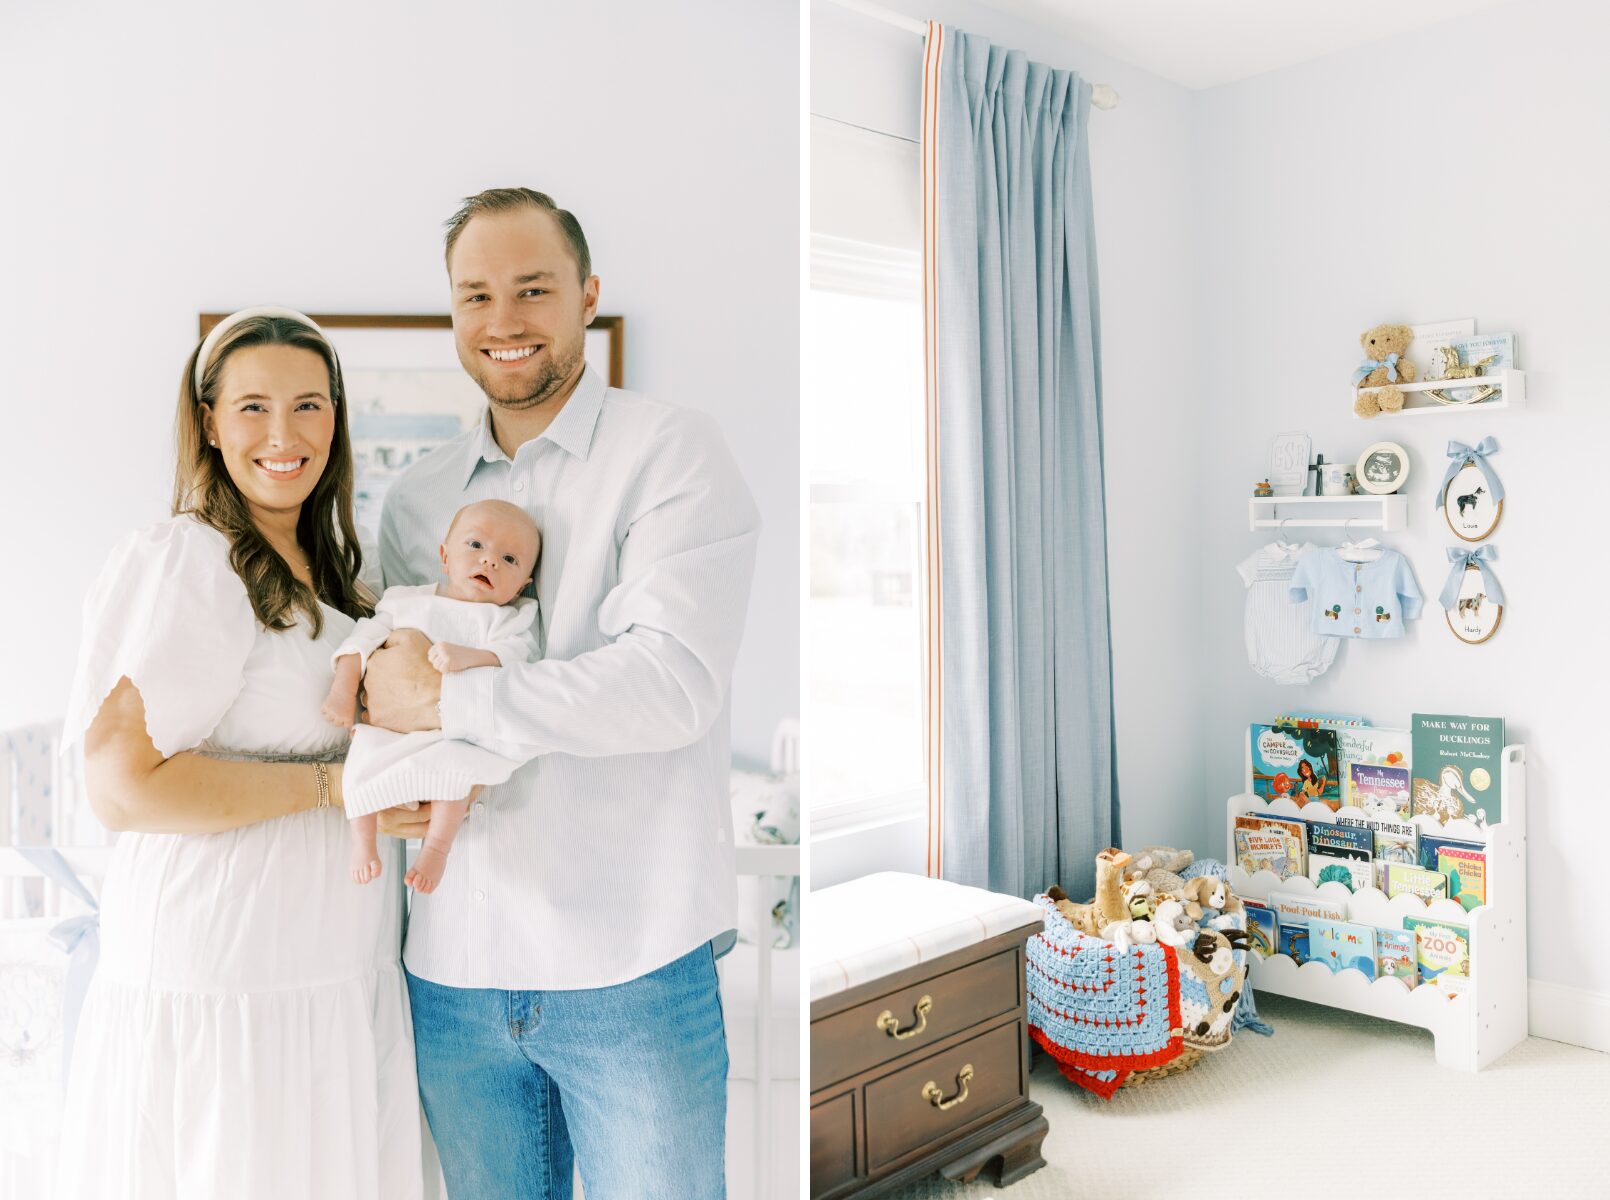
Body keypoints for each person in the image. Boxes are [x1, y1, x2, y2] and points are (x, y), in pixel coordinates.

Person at [362, 188, 760, 1199]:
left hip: (629, 964)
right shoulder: (417, 499)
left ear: (586, 294)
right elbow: (389, 667)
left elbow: (668, 682)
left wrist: (446, 706)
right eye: (476, 295)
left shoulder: (669, 452)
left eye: (532, 289)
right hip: (449, 972)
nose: (504, 320)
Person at [56, 308, 424, 1198]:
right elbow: (122, 790)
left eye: (308, 405)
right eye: (253, 407)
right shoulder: (191, 560)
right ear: (210, 423)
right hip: (230, 972)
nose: (284, 434)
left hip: (331, 968)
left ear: (337, 419)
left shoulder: (334, 573)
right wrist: (341, 786)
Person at [322, 498, 542, 891]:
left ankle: (437, 847)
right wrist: (343, 689)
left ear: (523, 584)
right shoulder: (406, 600)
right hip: (390, 730)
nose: (489, 561)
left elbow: (515, 659)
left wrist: (468, 656)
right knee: (360, 764)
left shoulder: (509, 619)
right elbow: (363, 640)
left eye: (510, 559)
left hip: (451, 733)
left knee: (457, 776)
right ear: (444, 555)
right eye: (476, 546)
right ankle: (363, 842)